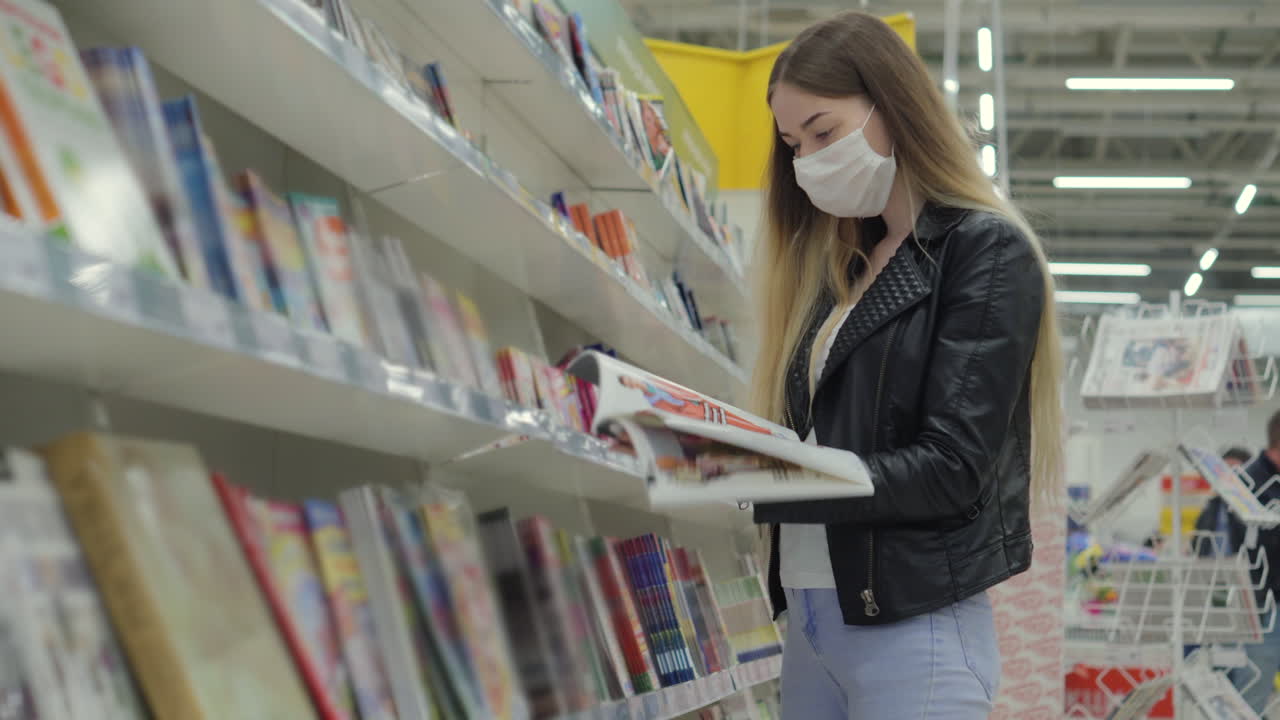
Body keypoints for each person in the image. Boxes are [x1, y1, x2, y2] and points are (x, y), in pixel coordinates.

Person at [747, 11, 1063, 719]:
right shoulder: (838, 272)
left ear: (891, 106)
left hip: (912, 626)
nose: (807, 161)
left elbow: (952, 467)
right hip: (810, 618)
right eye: (794, 144)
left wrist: (775, 478)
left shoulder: (984, 253)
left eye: (824, 133)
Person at [1199, 413, 1280, 713]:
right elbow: (1219, 553)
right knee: (1250, 696)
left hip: (1263, 604)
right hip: (1258, 608)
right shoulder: (1243, 485)